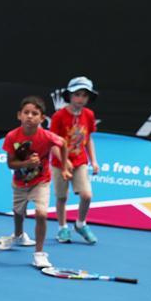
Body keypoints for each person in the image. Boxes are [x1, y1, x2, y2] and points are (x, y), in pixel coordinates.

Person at [0, 96, 67, 269]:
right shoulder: (12, 137)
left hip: (41, 181)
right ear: (19, 115)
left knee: (41, 214)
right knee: (18, 213)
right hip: (20, 182)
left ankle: (39, 253)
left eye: (35, 113)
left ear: (42, 118)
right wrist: (26, 164)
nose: (30, 116)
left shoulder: (47, 136)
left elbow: (63, 144)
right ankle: (19, 235)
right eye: (26, 113)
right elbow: (10, 164)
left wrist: (64, 167)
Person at [50, 76, 100, 244]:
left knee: (86, 195)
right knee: (62, 198)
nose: (80, 99)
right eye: (77, 94)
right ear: (69, 96)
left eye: (84, 95)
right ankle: (62, 228)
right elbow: (53, 144)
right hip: (59, 164)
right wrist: (64, 161)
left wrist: (94, 161)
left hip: (80, 162)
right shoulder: (59, 116)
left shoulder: (89, 115)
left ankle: (80, 223)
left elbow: (89, 139)